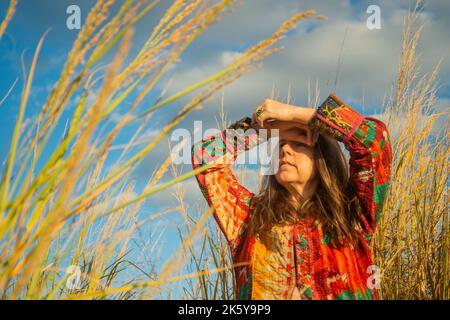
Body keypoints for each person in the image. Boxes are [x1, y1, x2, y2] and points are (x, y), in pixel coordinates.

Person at [191, 93, 392, 300]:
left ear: (323, 158)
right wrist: (263, 131)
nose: (285, 149)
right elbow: (205, 158)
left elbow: (375, 141)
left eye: (299, 144)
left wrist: (295, 114)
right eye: (280, 144)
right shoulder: (249, 219)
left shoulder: (352, 211)